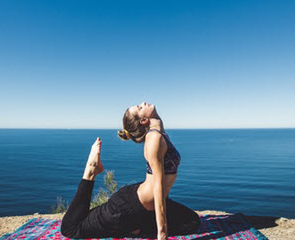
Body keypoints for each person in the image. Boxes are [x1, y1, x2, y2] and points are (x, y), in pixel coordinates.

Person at [61, 102, 200, 239]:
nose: (143, 103)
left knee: (192, 222)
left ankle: (135, 228)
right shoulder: (154, 138)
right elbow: (159, 187)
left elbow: (158, 124)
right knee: (71, 229)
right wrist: (162, 233)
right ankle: (90, 171)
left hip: (144, 204)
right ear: (144, 120)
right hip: (127, 207)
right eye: (140, 107)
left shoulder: (161, 134)